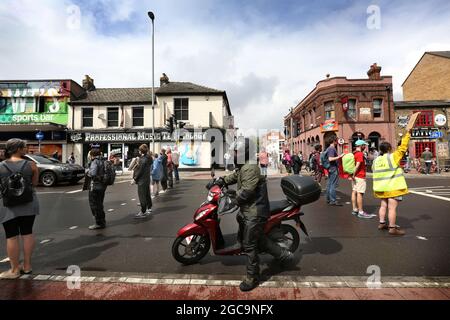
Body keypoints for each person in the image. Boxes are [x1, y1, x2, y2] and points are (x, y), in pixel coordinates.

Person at [217, 138, 294, 292]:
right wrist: (220, 181)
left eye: (237, 152)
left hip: (255, 211)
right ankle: (284, 255)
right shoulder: (244, 166)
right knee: (256, 236)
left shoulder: (251, 168)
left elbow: (246, 191)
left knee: (250, 245)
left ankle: (252, 277)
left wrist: (233, 201)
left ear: (244, 152)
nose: (234, 154)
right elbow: (235, 176)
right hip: (249, 209)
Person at [373, 113, 419, 236]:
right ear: (389, 149)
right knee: (392, 208)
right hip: (392, 187)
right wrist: (408, 133)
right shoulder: (393, 157)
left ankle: (382, 223)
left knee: (383, 205)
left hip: (381, 188)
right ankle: (392, 228)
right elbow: (403, 147)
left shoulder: (376, 160)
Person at [0, 139, 39, 279]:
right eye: (24, 147)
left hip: (7, 205)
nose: (27, 148)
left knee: (11, 236)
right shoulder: (31, 165)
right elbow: (34, 183)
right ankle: (27, 266)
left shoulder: (1, 166)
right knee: (27, 233)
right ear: (18, 149)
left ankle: (15, 269)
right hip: (29, 202)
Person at [351, 140, 374, 219]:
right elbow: (357, 165)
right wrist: (354, 174)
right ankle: (361, 212)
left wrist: (352, 175)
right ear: (361, 146)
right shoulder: (360, 154)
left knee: (354, 192)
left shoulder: (353, 153)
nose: (365, 147)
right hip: (359, 176)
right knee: (360, 193)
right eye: (364, 145)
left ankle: (354, 209)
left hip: (355, 176)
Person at [87, 148, 107, 230]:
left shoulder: (95, 161)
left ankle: (98, 223)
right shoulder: (103, 160)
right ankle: (102, 221)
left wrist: (87, 171)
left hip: (95, 186)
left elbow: (93, 173)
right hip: (102, 185)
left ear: (92, 155)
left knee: (94, 204)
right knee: (100, 204)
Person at [133, 145, 153, 219]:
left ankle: (143, 211)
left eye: (139, 150)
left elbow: (140, 170)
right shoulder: (149, 158)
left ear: (141, 151)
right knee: (147, 194)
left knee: (142, 196)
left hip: (142, 179)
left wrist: (135, 178)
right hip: (147, 178)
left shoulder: (142, 159)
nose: (138, 151)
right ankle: (149, 208)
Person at [325, 136, 344, 206]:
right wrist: (339, 156)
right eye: (336, 140)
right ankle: (333, 200)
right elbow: (330, 159)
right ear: (334, 141)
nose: (337, 142)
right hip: (333, 168)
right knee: (332, 185)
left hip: (330, 168)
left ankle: (328, 199)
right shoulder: (331, 149)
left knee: (329, 184)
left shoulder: (328, 148)